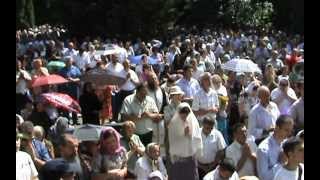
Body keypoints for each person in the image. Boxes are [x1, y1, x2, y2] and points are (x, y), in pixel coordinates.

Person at [168, 102, 202, 180]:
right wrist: (183, 134)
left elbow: (197, 138)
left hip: (190, 159)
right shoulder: (173, 123)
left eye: (186, 114)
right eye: (182, 114)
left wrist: (190, 135)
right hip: (178, 159)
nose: (185, 116)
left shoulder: (193, 122)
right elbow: (173, 140)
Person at [257, 115, 294, 180]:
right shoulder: (263, 149)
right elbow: (263, 177)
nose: (289, 134)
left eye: (290, 131)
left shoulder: (289, 144)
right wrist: (280, 163)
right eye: (286, 130)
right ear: (277, 128)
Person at [212, 74, 230, 144]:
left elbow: (225, 101)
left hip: (221, 115)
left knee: (223, 135)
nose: (218, 84)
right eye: (215, 82)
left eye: (218, 82)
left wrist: (221, 109)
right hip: (214, 114)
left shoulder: (223, 88)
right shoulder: (211, 89)